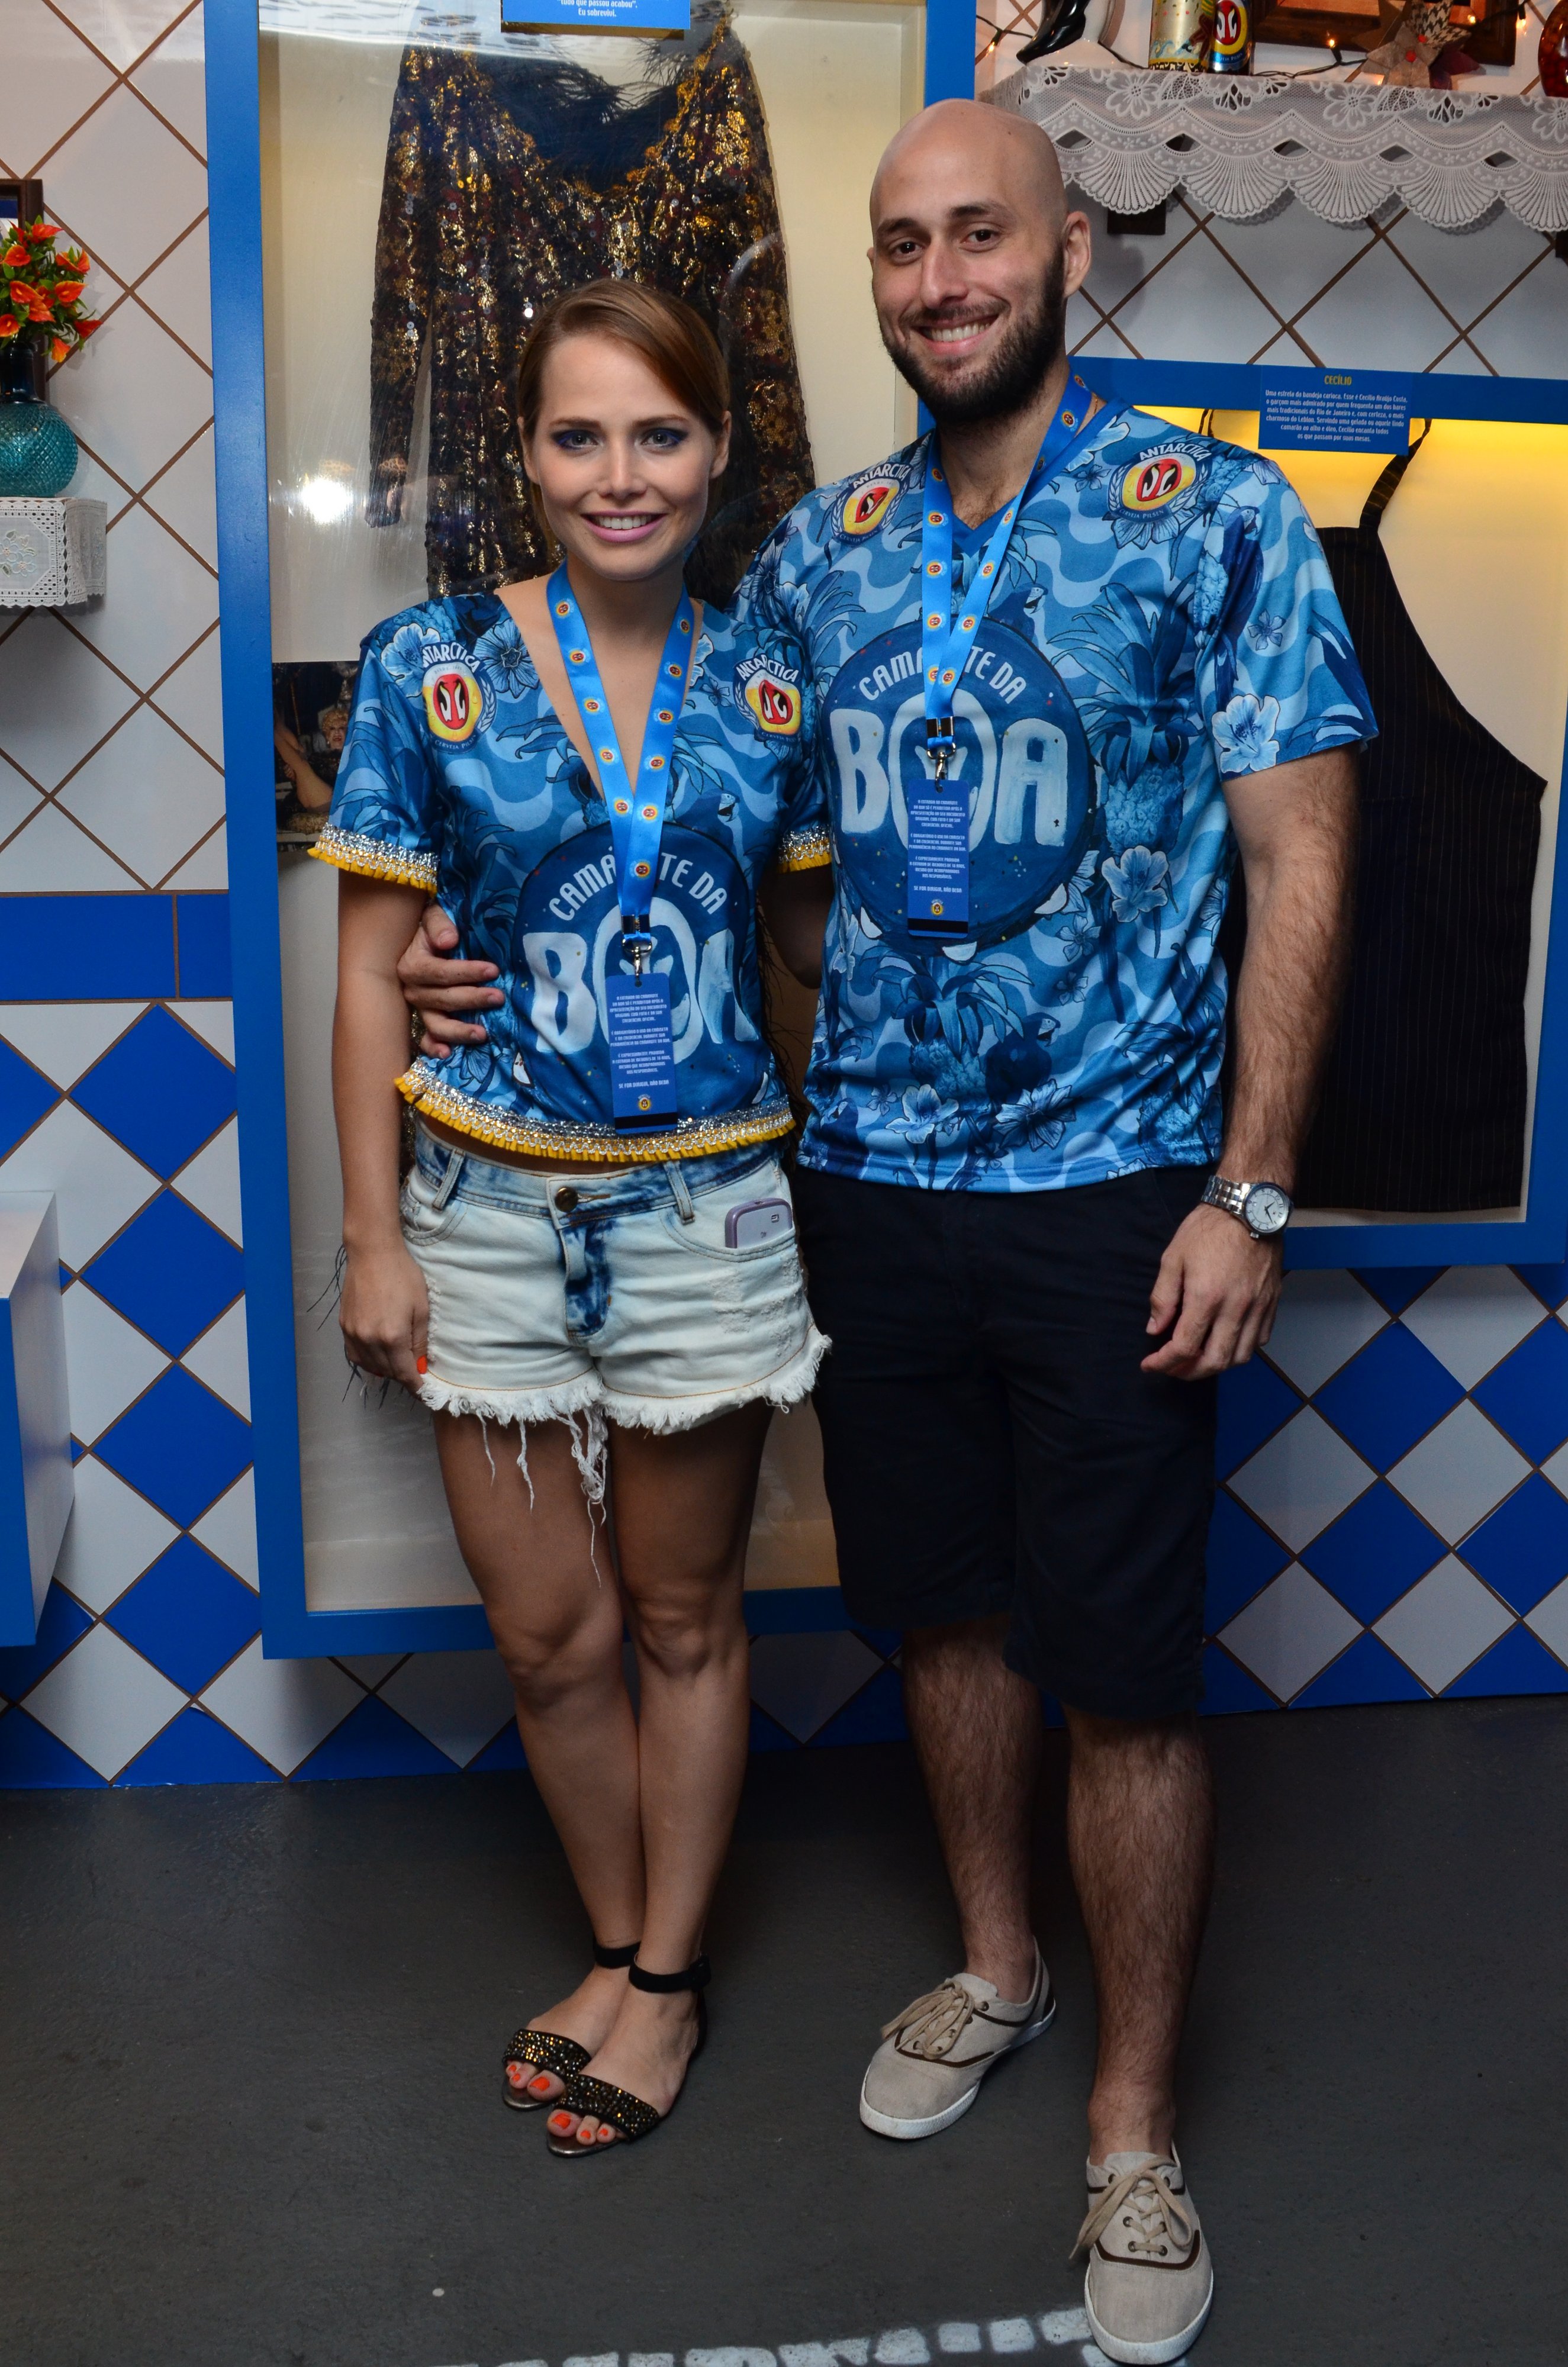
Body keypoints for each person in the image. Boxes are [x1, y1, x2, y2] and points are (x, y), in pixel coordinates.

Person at [400, 104, 1374, 2358]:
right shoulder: (819, 560)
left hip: (1119, 1195)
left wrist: (1248, 1185)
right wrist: (463, 953)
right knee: (938, 1617)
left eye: (980, 236)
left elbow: (1302, 856)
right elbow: (679, 827)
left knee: (1124, 1674)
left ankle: (1131, 2132)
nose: (940, 280)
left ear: (1069, 251)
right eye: (903, 245)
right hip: (860, 1185)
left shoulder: (1212, 516)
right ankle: (998, 1972)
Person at [316, 279, 830, 2161]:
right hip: (478, 1216)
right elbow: (368, 972)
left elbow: (806, 951)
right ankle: (615, 1947)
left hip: (705, 1219)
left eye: (660, 434)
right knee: (546, 1634)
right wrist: (376, 1241)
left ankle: (667, 1984)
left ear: (717, 452)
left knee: (682, 1620)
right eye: (579, 435)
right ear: (526, 459)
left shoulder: (771, 684)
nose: (622, 475)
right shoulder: (429, 664)